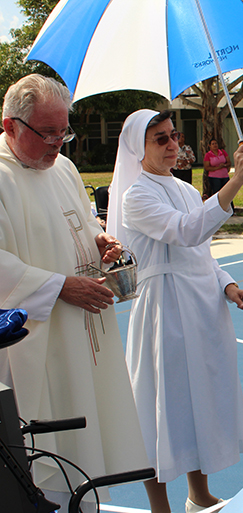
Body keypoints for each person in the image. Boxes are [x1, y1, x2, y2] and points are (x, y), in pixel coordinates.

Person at [0, 74, 148, 512]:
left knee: (86, 441)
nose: (58, 143)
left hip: (85, 334)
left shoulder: (62, 167)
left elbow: (77, 221)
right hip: (34, 343)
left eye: (64, 131)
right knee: (44, 459)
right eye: (47, 133)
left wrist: (99, 241)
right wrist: (60, 286)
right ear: (9, 127)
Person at [108, 110, 243, 513]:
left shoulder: (187, 191)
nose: (173, 145)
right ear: (139, 146)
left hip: (204, 309)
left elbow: (202, 252)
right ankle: (161, 506)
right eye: (161, 139)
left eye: (174, 136)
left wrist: (228, 285)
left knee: (199, 404)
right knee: (162, 409)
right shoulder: (135, 195)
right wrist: (236, 181)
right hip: (166, 313)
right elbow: (187, 230)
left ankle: (199, 493)